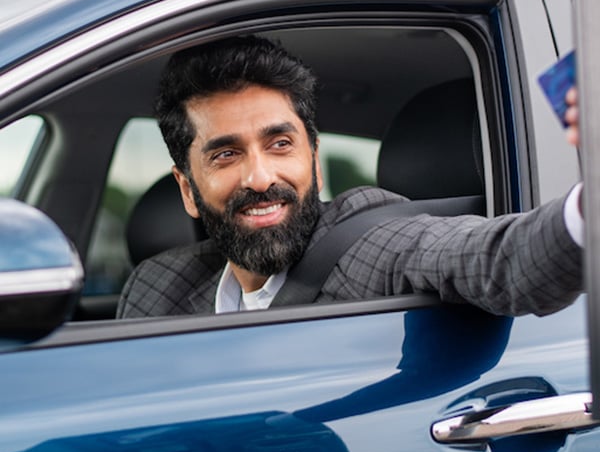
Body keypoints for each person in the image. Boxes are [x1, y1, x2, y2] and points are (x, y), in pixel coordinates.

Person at [117, 36, 583, 319]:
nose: (260, 177)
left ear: (315, 162)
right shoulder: (156, 289)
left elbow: (503, 259)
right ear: (187, 189)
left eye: (280, 144)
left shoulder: (376, 246)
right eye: (225, 154)